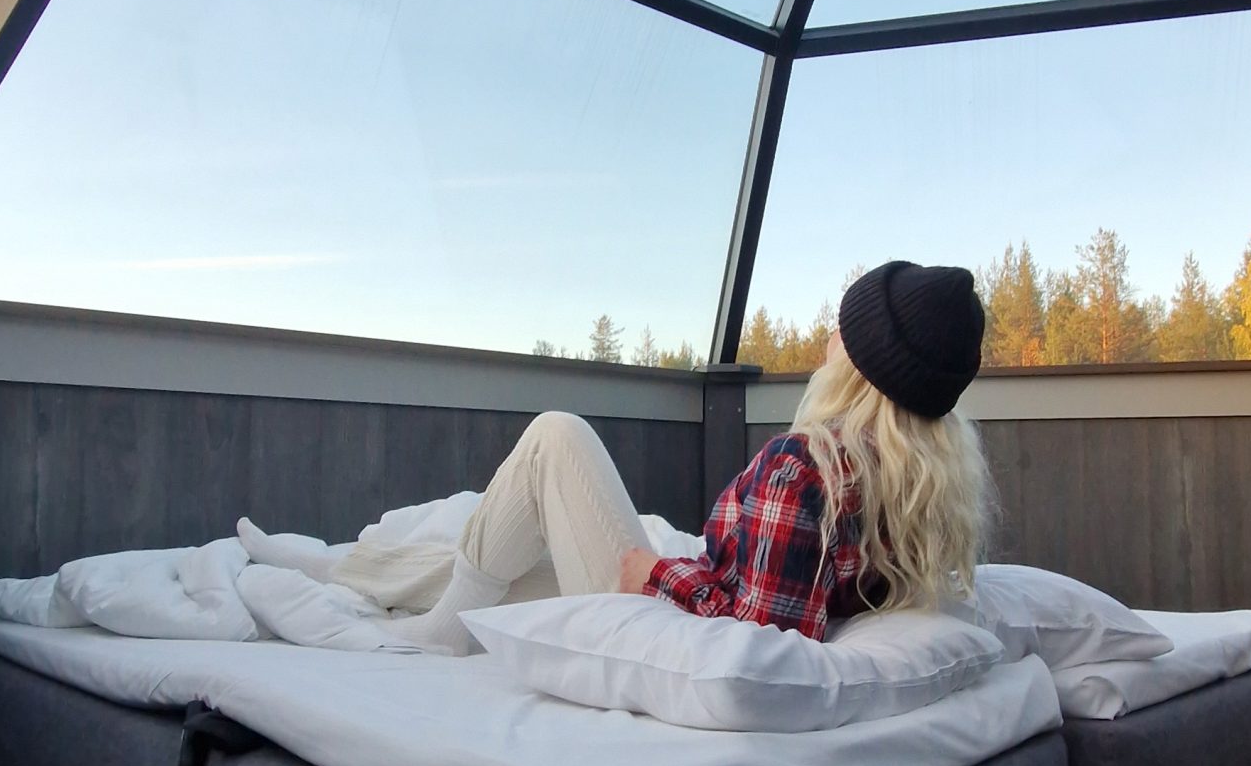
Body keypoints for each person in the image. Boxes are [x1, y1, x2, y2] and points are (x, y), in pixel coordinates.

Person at [238, 260, 991, 655]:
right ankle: (333, 570)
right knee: (510, 570)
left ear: (860, 367)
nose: (828, 340)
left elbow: (758, 647)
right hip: (695, 578)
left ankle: (438, 634)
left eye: (841, 331)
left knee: (556, 436)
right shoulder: (915, 487)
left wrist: (653, 573)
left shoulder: (810, 472)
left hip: (667, 607)